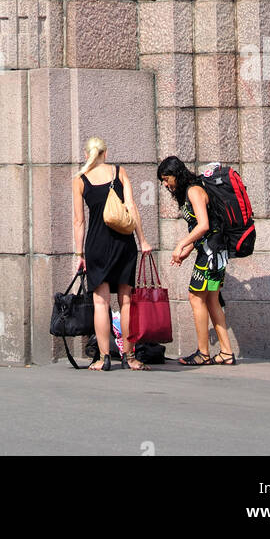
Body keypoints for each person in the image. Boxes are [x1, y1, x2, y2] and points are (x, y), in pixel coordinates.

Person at [72, 137, 152, 371]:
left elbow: (79, 221)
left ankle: (103, 358)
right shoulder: (119, 172)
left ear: (87, 155)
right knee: (126, 301)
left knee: (100, 302)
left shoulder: (79, 180)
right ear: (105, 153)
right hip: (123, 243)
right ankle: (130, 357)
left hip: (96, 245)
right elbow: (131, 208)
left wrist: (80, 253)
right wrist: (143, 240)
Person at [157, 155, 236, 366]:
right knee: (211, 300)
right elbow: (204, 230)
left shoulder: (194, 190)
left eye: (167, 179)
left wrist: (181, 244)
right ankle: (226, 352)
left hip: (210, 255)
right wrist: (188, 249)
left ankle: (203, 353)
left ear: (177, 175)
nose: (165, 184)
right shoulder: (193, 190)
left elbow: (203, 226)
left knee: (195, 297)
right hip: (215, 252)